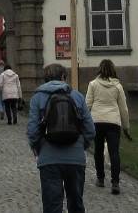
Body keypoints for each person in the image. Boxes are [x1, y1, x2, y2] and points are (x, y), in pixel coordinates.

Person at [27, 63, 95, 213]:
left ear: (45, 79)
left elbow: (32, 131)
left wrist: (38, 149)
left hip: (49, 159)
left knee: (52, 206)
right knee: (76, 204)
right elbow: (90, 130)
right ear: (64, 77)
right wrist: (80, 145)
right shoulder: (77, 96)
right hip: (76, 159)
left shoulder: (37, 98)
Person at [86, 59, 130, 195]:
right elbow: (123, 109)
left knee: (98, 150)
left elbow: (87, 105)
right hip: (113, 122)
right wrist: (126, 127)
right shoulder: (118, 86)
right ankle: (115, 182)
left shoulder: (93, 84)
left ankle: (100, 178)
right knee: (114, 152)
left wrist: (84, 123)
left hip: (97, 121)